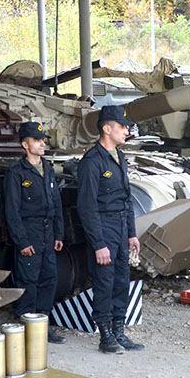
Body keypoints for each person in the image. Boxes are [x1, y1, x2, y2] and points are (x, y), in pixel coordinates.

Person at [76, 105, 143, 354]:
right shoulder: (92, 162)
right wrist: (98, 243)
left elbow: (126, 198)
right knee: (104, 282)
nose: (126, 130)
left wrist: (132, 233)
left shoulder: (119, 157)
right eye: (122, 126)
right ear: (107, 128)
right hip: (103, 227)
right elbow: (87, 206)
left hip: (121, 225)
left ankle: (119, 331)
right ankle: (105, 335)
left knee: (121, 281)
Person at [3, 121, 66, 344]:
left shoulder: (47, 168)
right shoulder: (17, 173)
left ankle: (43, 325)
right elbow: (12, 210)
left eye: (43, 140)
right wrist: (22, 241)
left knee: (49, 279)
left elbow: (56, 203)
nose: (42, 144)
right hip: (29, 233)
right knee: (29, 280)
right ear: (25, 144)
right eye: (37, 140)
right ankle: (27, 327)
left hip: (48, 233)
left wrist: (59, 234)